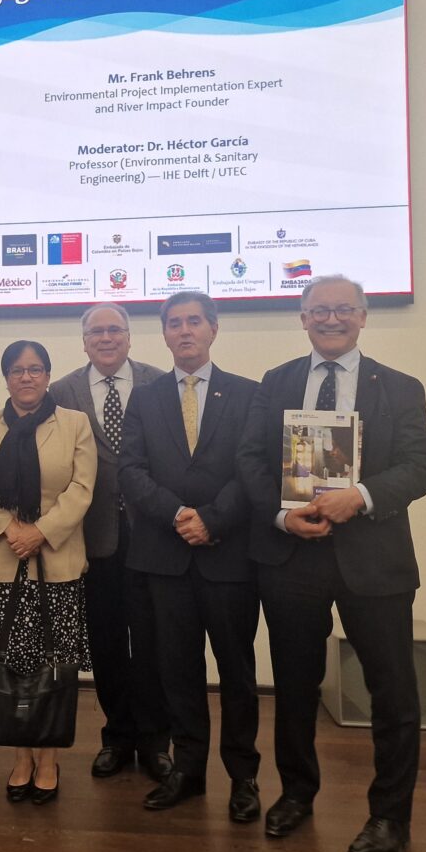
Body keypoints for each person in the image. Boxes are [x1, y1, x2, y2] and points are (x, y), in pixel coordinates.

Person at [237, 276, 426, 852]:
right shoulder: (275, 382)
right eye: (318, 310)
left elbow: (420, 466)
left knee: (393, 692)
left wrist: (362, 496)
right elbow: (250, 460)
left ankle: (390, 817)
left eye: (343, 309)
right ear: (302, 318)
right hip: (292, 557)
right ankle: (297, 794)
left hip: (374, 561)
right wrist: (282, 516)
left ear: (363, 317)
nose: (330, 319)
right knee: (295, 687)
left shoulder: (399, 387)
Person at [117, 292, 261, 820]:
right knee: (176, 671)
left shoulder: (248, 394)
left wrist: (212, 520)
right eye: (174, 323)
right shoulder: (145, 398)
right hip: (165, 557)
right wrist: (178, 514)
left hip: (228, 558)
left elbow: (253, 470)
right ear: (164, 333)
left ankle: (243, 776)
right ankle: (189, 769)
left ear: (213, 329)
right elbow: (130, 471)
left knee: (237, 674)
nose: (184, 331)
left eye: (194, 321)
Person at [0, 340, 97, 806]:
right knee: (11, 666)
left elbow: (82, 487)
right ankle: (20, 757)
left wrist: (40, 532)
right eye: (17, 370)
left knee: (52, 667)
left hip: (56, 564)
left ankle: (49, 759)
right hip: (1, 564)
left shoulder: (74, 423)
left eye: (35, 369)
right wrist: (10, 530)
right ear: (6, 377)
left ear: (48, 375)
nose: (26, 377)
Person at [51, 304, 171, 781]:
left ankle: (156, 741)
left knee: (153, 642)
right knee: (106, 643)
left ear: (129, 336)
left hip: (154, 535)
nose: (106, 338)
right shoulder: (62, 392)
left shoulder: (159, 382)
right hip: (92, 539)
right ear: (84, 342)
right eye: (96, 331)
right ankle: (117, 736)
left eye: (114, 330)